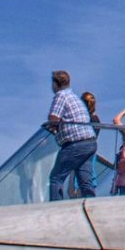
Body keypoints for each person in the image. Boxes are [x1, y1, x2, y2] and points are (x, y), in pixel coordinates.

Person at [44, 70, 97, 200]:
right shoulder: (73, 97)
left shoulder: (61, 96)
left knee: (56, 178)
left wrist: (53, 128)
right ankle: (93, 208)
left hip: (75, 143)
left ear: (56, 84)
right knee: (85, 183)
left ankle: (56, 210)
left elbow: (53, 118)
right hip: (90, 142)